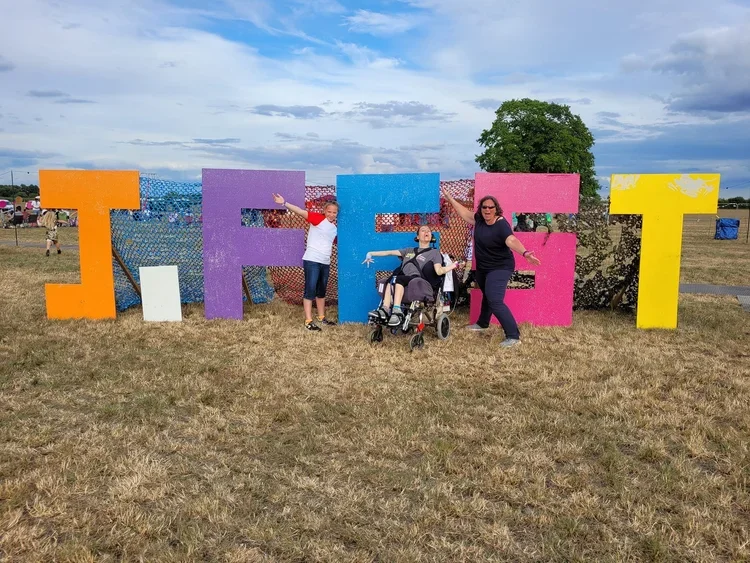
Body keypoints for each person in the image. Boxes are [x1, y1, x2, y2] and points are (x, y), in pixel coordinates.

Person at [441, 187, 541, 347]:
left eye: (491, 207)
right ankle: (482, 324)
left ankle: (513, 336)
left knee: (495, 300)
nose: (487, 210)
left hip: (500, 267)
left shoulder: (501, 224)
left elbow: (510, 240)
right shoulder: (479, 219)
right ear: (481, 210)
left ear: (496, 209)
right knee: (487, 294)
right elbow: (465, 214)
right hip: (483, 267)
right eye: (484, 207)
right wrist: (451, 199)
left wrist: (525, 252)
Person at [363, 225, 460, 327]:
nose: (426, 232)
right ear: (417, 237)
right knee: (388, 280)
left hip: (419, 281)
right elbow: (389, 252)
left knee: (399, 279)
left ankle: (397, 311)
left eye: (429, 231)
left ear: (431, 237)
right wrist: (370, 253)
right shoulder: (409, 250)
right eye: (423, 230)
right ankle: (385, 310)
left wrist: (453, 265)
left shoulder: (434, 253)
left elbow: (439, 271)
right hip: (405, 279)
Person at [272, 193, 339, 331]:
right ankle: (308, 321)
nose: (331, 214)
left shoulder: (334, 228)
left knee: (321, 291)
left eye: (334, 212)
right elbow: (301, 211)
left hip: (325, 262)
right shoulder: (318, 219)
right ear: (324, 211)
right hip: (312, 260)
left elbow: (337, 243)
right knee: (310, 290)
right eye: (329, 212)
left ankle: (321, 318)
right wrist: (284, 203)